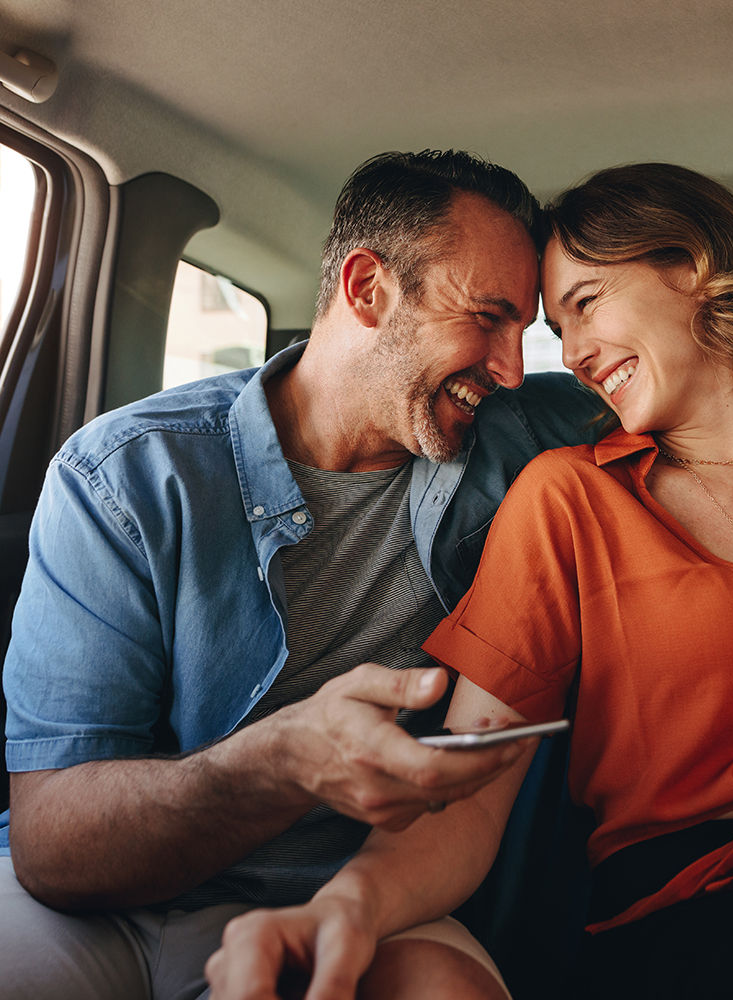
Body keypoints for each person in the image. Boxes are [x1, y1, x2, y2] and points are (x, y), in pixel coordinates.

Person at [205, 162, 733, 1000]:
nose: (573, 356)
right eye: (558, 328)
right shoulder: (566, 499)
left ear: (691, 269)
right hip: (686, 923)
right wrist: (349, 908)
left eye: (586, 303)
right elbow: (468, 792)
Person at [0, 150, 605, 1000]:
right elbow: (55, 848)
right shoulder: (126, 476)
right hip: (94, 911)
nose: (511, 367)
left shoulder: (525, 439)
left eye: (524, 331)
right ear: (367, 289)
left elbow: (695, 399)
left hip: (353, 894)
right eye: (486, 317)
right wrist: (281, 763)